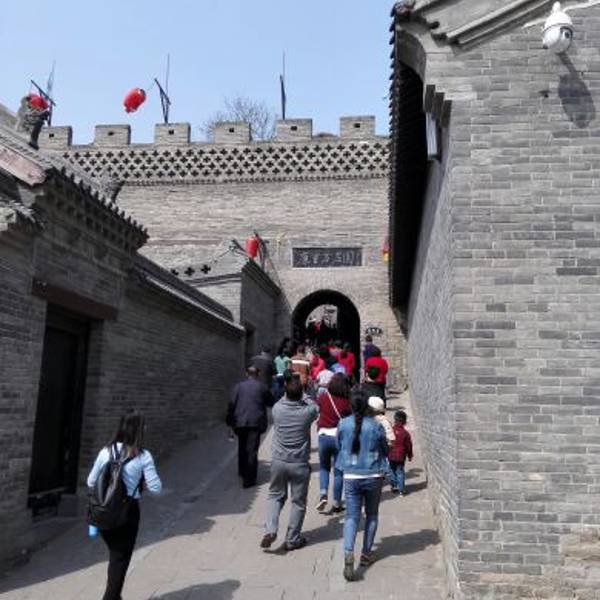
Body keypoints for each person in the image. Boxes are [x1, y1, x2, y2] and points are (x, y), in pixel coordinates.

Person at [87, 411, 162, 600]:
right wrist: (139, 480)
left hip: (103, 511)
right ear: (137, 429)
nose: (146, 428)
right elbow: (156, 488)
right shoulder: (143, 456)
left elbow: (90, 481)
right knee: (120, 559)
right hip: (127, 513)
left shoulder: (106, 451)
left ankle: (115, 596)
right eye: (143, 425)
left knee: (115, 556)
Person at [261, 377, 319, 551]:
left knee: (275, 496)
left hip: (278, 461)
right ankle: (292, 539)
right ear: (301, 393)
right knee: (298, 502)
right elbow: (315, 406)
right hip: (299, 463)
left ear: (285, 392)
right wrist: (304, 393)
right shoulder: (307, 412)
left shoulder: (277, 409)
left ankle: (270, 529)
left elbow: (282, 398)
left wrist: (290, 389)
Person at [336, 388, 388, 582]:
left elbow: (339, 445)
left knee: (351, 517)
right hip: (373, 474)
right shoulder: (375, 425)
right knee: (372, 515)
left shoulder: (343, 424)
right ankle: (366, 553)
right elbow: (385, 448)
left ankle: (348, 552)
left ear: (351, 404)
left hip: (351, 474)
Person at [227, 366, 275, 488]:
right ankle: (249, 480)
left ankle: (242, 471)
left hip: (240, 421)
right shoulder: (262, 387)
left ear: (246, 374)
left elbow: (232, 404)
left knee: (242, 446)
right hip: (255, 422)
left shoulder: (238, 387)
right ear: (258, 374)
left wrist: (230, 421)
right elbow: (271, 402)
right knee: (252, 450)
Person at [315, 373, 352, 512]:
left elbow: (318, 410)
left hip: (323, 435)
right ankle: (337, 502)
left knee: (324, 467)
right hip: (339, 437)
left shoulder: (323, 397)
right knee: (338, 471)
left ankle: (323, 494)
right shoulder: (346, 400)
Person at [389, 410, 413, 495]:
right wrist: (410, 455)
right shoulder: (405, 433)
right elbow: (409, 446)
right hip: (401, 456)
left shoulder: (390, 431)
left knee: (392, 470)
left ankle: (394, 486)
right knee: (400, 471)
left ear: (395, 420)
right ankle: (401, 490)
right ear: (404, 422)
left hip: (391, 454)